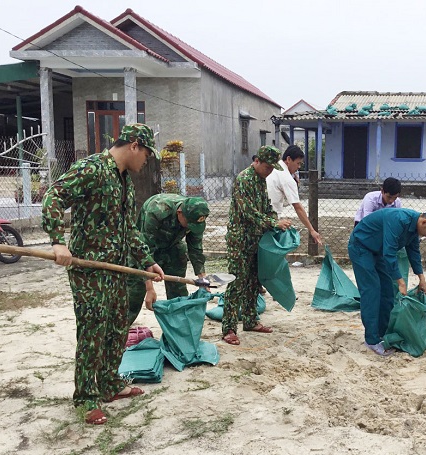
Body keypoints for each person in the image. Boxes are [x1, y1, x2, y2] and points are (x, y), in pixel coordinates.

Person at [42, 123, 165, 425]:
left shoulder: (124, 181)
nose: (147, 161)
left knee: (116, 328)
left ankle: (109, 385)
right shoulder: (93, 169)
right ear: (134, 145)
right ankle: (86, 398)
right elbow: (54, 196)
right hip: (90, 271)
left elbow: (129, 229)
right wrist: (58, 241)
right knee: (93, 333)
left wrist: (147, 261)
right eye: (147, 154)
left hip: (116, 270)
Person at [348, 208, 426, 356]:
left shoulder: (414, 229)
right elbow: (390, 252)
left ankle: (383, 333)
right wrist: (401, 283)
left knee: (388, 291)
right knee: (372, 291)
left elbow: (414, 252)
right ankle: (371, 340)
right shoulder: (398, 220)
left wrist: (422, 279)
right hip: (361, 247)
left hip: (378, 251)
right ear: (424, 222)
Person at [222, 146, 292, 345]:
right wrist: (272, 223)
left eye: (272, 168)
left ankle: (251, 320)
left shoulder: (261, 181)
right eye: (268, 167)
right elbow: (248, 212)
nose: (270, 171)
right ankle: (228, 328)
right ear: (257, 161)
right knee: (236, 282)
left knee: (254, 281)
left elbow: (266, 208)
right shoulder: (244, 180)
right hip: (240, 240)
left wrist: (275, 219)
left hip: (256, 239)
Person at [126, 194, 210, 325]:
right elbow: (143, 249)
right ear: (179, 213)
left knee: (178, 288)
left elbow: (196, 249)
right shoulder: (157, 210)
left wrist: (202, 278)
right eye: (188, 224)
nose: (189, 228)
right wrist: (149, 288)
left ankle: (179, 325)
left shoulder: (194, 217)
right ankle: (119, 330)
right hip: (144, 248)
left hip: (172, 246)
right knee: (135, 290)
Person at [266, 144, 322, 245]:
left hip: (259, 216)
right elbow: (298, 207)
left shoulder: (273, 167)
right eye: (298, 163)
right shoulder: (286, 177)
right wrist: (312, 230)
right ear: (288, 159)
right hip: (270, 219)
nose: (299, 167)